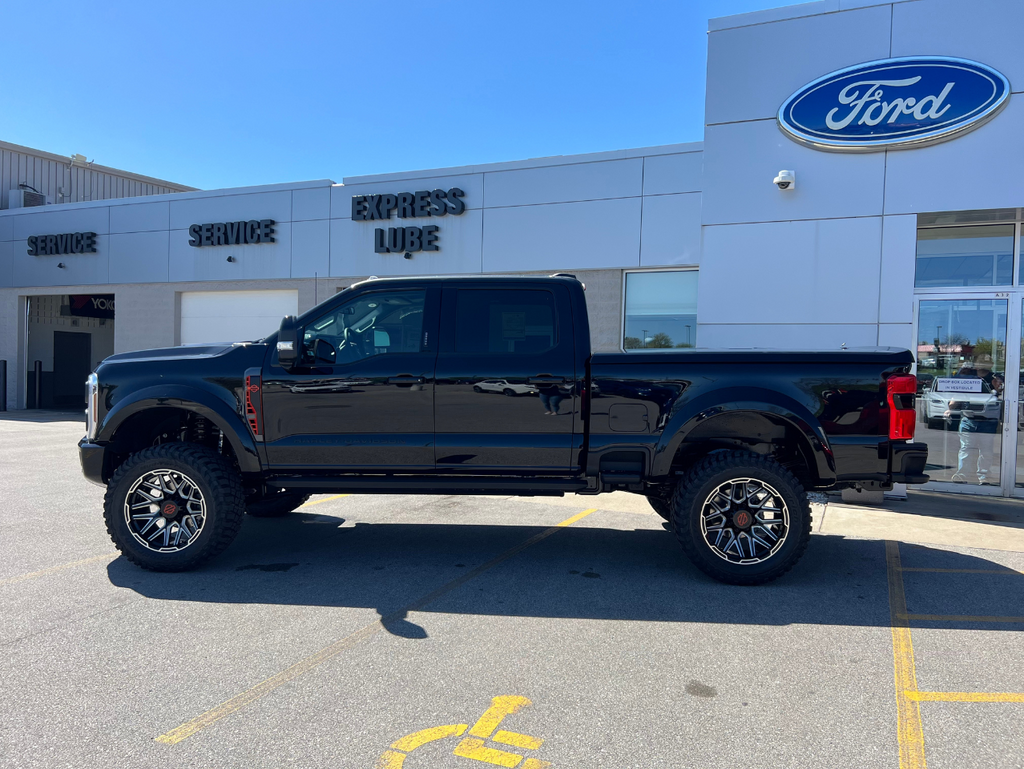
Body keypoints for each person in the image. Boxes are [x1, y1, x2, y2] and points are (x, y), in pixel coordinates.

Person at [951, 356, 1001, 484]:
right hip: (969, 417)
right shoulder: (968, 376)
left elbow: (1000, 396)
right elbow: (959, 390)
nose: (981, 365)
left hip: (988, 419)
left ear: (991, 364)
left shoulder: (995, 378)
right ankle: (962, 475)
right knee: (966, 448)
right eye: (980, 362)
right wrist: (952, 404)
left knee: (986, 450)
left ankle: (983, 476)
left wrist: (998, 388)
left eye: (985, 363)